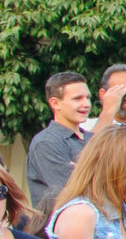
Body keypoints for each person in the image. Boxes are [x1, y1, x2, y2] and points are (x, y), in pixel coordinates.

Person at [26, 72, 90, 221]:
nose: (86, 104)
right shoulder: (46, 142)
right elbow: (74, 193)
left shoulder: (94, 139)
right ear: (55, 103)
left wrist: (82, 174)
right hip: (59, 233)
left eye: (88, 97)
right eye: (77, 99)